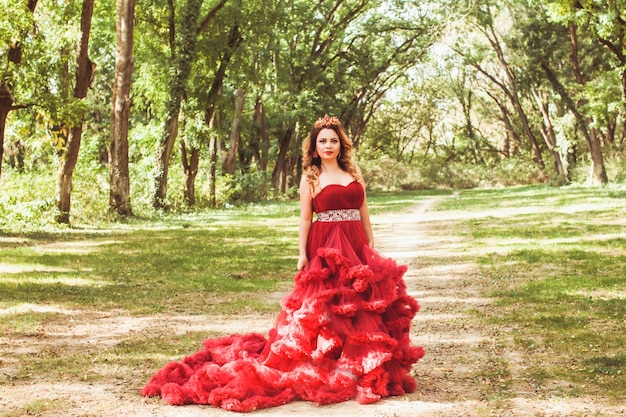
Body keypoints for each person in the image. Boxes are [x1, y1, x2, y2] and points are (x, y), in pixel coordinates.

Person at [140, 115, 425, 412]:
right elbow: (305, 218)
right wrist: (302, 253)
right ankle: (326, 363)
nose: (328, 145)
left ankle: (356, 364)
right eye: (323, 141)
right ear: (314, 148)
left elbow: (364, 210)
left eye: (333, 141)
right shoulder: (310, 177)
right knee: (326, 308)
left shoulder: (353, 171)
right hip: (326, 242)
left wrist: (369, 245)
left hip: (355, 242)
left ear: (342, 145)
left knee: (360, 304)